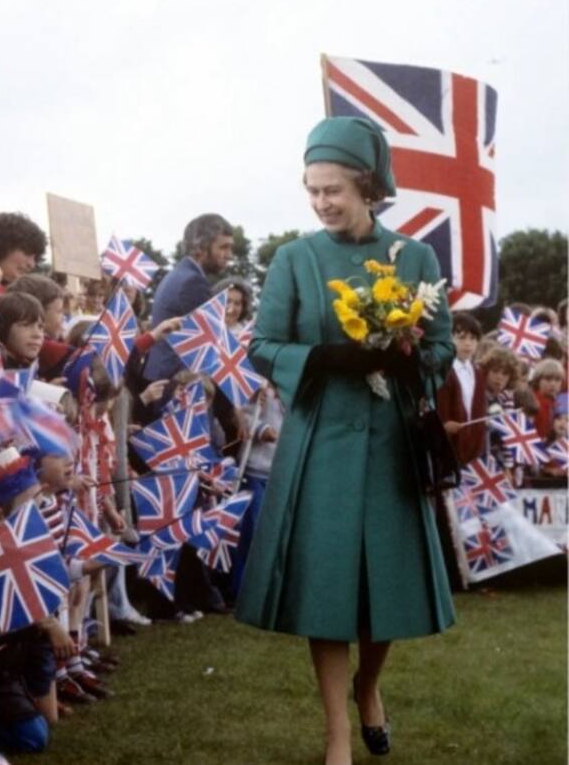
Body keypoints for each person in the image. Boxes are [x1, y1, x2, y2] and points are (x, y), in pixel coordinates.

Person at [235, 116, 455, 765]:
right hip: (320, 441)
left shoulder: (415, 258)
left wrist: (409, 354)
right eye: (312, 190)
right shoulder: (294, 259)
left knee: (383, 585)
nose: (322, 202)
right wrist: (327, 357)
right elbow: (261, 345)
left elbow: (441, 345)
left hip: (392, 442)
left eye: (333, 189)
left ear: (366, 184)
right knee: (329, 589)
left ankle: (369, 685)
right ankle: (337, 735)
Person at [142, 213, 234, 386]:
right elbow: (210, 350)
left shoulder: (178, 275)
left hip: (162, 379)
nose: (229, 255)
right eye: (223, 247)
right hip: (176, 386)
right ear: (200, 247)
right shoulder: (193, 282)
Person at [436, 312, 487, 466]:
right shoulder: (443, 370)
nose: (468, 344)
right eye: (461, 338)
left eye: (473, 339)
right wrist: (442, 424)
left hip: (470, 445)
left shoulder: (477, 372)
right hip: (446, 444)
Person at [0, 212, 47, 287]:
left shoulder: (18, 294)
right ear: (1, 244)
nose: (31, 264)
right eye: (27, 251)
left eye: (36, 258)